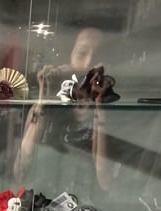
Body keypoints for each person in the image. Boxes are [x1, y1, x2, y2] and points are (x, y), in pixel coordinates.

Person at [14, 26, 114, 199]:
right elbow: (20, 170)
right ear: (71, 56)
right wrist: (43, 100)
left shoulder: (108, 112)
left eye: (97, 57)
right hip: (43, 202)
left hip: (86, 206)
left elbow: (105, 182)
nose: (88, 63)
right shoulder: (48, 109)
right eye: (82, 54)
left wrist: (100, 110)